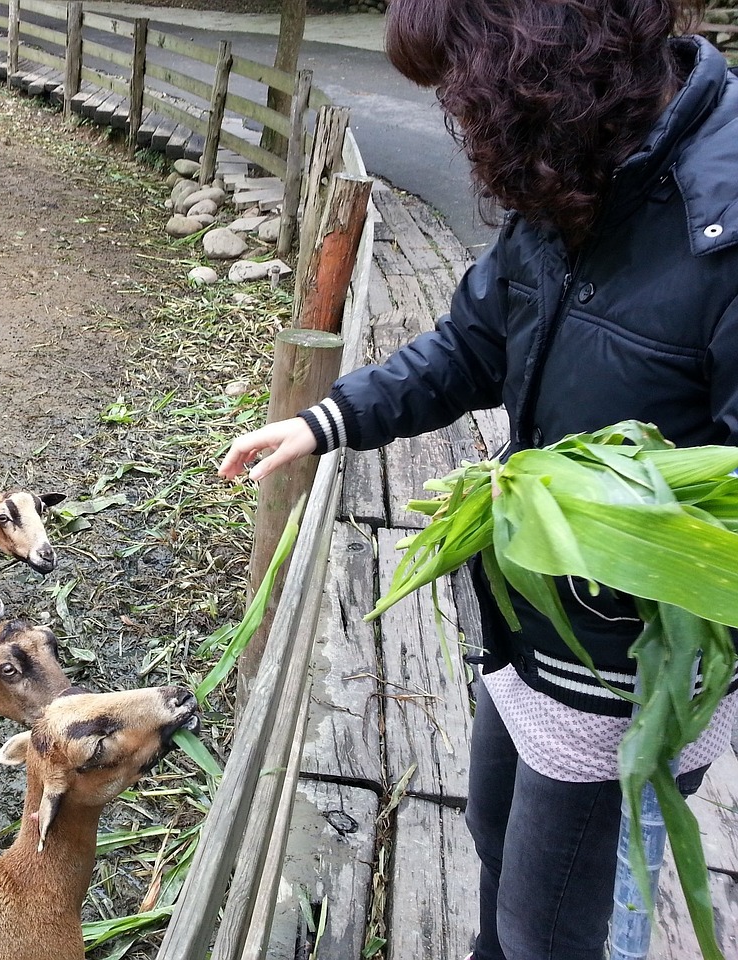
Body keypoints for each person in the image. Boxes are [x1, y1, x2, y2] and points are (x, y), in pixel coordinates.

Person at [218, 2, 738, 959]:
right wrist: (322, 422)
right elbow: (473, 343)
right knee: (493, 836)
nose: (459, 115)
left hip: (628, 673)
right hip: (533, 615)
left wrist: (625, 529)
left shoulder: (723, 224)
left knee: (552, 926)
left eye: (463, 82)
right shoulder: (579, 170)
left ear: (537, 58)